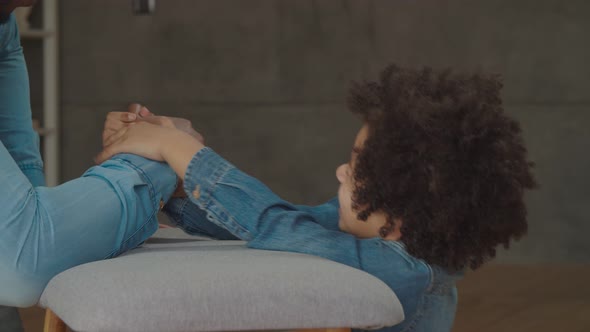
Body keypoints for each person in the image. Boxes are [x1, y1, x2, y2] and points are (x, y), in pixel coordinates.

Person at [98, 64, 537, 332]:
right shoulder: (378, 237)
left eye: (359, 166)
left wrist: (182, 152)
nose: (341, 171)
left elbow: (278, 228)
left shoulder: (403, 271)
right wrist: (176, 180)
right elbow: (273, 225)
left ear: (405, 203)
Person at [0, 4, 179, 312]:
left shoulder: (5, 24)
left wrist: (85, 230)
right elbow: (23, 262)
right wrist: (164, 155)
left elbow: (22, 163)